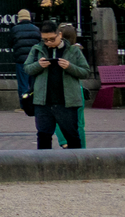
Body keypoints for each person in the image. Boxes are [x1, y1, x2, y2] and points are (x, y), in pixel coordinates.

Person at [25, 22, 90, 150]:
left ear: (59, 34)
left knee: (72, 136)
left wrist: (70, 67)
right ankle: (44, 165)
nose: (48, 42)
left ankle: (76, 165)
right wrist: (38, 65)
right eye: (45, 39)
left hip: (67, 102)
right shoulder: (37, 49)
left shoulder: (73, 50)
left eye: (52, 39)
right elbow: (27, 68)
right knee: (43, 136)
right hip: (43, 102)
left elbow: (85, 72)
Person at [11, 9, 42, 115]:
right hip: (34, 61)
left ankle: (24, 106)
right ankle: (35, 104)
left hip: (21, 60)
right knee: (33, 83)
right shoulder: (36, 29)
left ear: (19, 18)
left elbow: (10, 42)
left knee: (23, 84)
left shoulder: (15, 29)